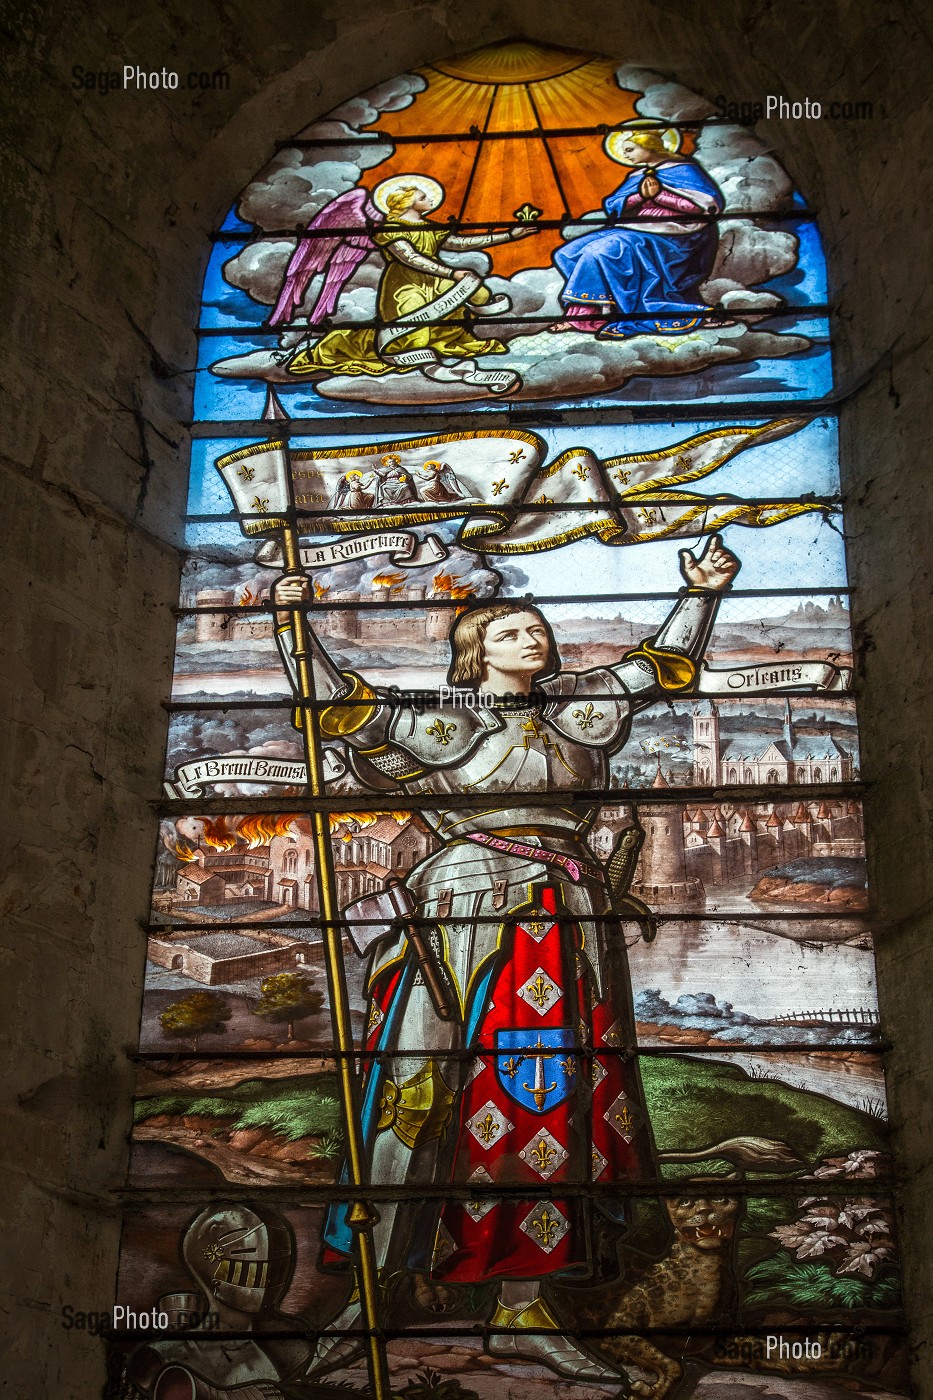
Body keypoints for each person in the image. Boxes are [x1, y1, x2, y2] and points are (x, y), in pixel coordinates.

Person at [272, 534, 740, 1383]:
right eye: (512, 630)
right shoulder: (437, 724)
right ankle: (367, 1304)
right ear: (473, 650)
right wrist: (292, 622)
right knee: (415, 1090)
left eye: (538, 631)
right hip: (461, 917)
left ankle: (523, 1305)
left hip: (562, 921)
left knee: (545, 1095)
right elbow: (340, 705)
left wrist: (700, 593)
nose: (535, 640)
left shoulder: (576, 714)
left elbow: (659, 666)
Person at [282, 177, 537, 381]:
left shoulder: (430, 227)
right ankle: (421, 361)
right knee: (413, 331)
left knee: (476, 294)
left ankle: (443, 349)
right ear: (407, 203)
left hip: (435, 281)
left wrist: (508, 236)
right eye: (422, 197)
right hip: (404, 285)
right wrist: (451, 273)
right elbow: (410, 258)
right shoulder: (389, 229)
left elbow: (459, 243)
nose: (429, 200)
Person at [551, 121, 726, 339]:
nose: (627, 156)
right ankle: (593, 311)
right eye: (624, 152)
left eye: (630, 150)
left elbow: (705, 208)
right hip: (636, 230)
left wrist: (660, 195)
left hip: (677, 236)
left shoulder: (685, 170)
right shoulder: (636, 177)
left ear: (650, 145)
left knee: (598, 252)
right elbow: (614, 208)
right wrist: (640, 197)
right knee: (568, 252)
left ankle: (586, 314)